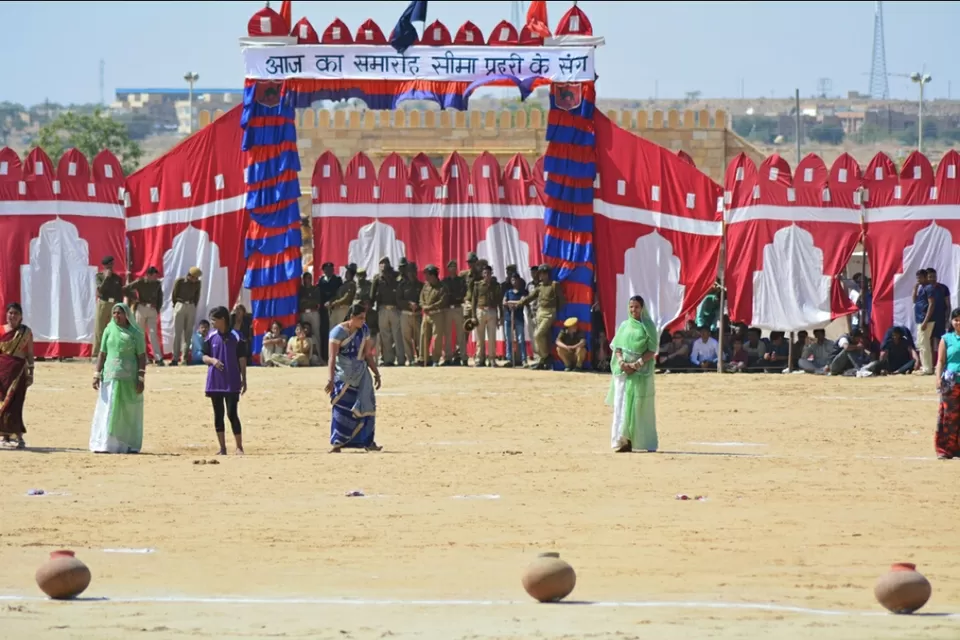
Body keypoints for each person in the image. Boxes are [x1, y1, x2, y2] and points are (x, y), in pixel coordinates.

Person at [326, 303, 382, 453]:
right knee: (341, 407)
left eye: (364, 318)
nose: (363, 321)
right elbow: (332, 357)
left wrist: (376, 373)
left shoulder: (364, 330)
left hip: (361, 374)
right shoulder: (337, 332)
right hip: (343, 375)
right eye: (360, 318)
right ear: (352, 317)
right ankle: (337, 443)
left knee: (367, 405)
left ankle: (368, 441)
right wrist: (330, 379)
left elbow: (367, 354)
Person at [90, 303, 146, 454]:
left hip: (129, 378)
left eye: (119, 313)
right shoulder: (109, 329)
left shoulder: (136, 333)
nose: (116, 316)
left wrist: (141, 378)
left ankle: (126, 444)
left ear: (127, 315)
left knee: (126, 410)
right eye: (114, 313)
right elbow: (102, 353)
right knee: (108, 409)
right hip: (110, 377)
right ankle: (106, 444)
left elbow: (141, 356)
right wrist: (96, 374)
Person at [607, 295, 659, 453]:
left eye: (636, 307)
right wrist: (622, 362)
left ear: (642, 308)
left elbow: (652, 350)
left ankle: (637, 440)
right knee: (620, 405)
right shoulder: (624, 325)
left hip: (640, 374)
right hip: (622, 372)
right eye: (631, 307)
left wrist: (637, 364)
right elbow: (617, 347)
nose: (633, 310)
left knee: (636, 406)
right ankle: (621, 440)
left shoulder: (648, 326)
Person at [202, 306, 248, 455]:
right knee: (218, 414)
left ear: (222, 320)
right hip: (215, 381)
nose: (212, 323)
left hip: (232, 380)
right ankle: (222, 448)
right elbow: (204, 356)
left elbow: (242, 359)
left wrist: (244, 378)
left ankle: (239, 447)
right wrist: (213, 360)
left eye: (214, 320)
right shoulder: (210, 336)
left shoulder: (237, 336)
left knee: (232, 413)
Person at [0, 303, 34, 450]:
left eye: (16, 314)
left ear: (21, 317)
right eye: (10, 313)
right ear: (6, 314)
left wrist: (31, 372)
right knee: (3, 403)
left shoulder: (26, 332)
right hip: (3, 371)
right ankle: (4, 436)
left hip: (19, 372)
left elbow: (30, 354)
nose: (12, 316)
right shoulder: (1, 330)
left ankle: (18, 436)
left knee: (16, 404)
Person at [125, 266, 164, 366]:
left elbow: (160, 297)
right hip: (141, 308)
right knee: (140, 334)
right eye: (154, 275)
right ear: (148, 275)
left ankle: (158, 358)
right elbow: (126, 289)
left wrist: (157, 309)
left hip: (152, 309)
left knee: (153, 334)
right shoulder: (140, 282)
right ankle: (143, 357)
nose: (156, 277)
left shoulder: (157, 284)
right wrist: (134, 298)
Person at [935, 308, 960, 459]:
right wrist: (938, 378)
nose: (958, 322)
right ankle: (944, 450)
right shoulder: (946, 339)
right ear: (951, 321)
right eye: (956, 319)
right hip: (951, 384)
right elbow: (941, 361)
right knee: (948, 417)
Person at [94, 256, 124, 360]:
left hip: (114, 304)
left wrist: (120, 306)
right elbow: (100, 291)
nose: (111, 266)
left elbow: (120, 292)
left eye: (112, 264)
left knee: (114, 328)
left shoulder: (117, 278)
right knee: (100, 329)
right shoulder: (99, 276)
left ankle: (112, 352)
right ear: (104, 265)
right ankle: (96, 354)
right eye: (109, 264)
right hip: (104, 303)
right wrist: (106, 278)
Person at [171, 267, 202, 366]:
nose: (196, 279)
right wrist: (176, 305)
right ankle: (175, 358)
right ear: (189, 275)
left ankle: (184, 358)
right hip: (180, 304)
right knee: (177, 333)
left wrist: (193, 306)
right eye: (195, 277)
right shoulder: (180, 282)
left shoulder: (198, 284)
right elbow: (174, 294)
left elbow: (197, 296)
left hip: (191, 306)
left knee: (188, 333)